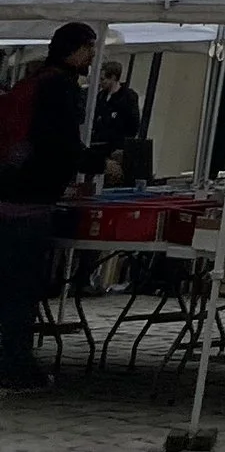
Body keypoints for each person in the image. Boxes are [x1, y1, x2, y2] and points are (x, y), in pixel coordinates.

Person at [0, 22, 99, 391]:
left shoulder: (38, 80)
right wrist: (99, 163)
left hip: (9, 194)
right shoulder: (59, 86)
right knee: (22, 288)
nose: (92, 56)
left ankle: (13, 361)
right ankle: (16, 366)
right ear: (75, 49)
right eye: (89, 48)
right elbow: (62, 144)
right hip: (30, 201)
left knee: (12, 285)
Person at [93, 60, 144, 177]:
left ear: (113, 78)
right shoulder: (101, 96)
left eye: (103, 79)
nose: (101, 83)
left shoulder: (128, 97)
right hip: (100, 146)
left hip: (117, 148)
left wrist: (122, 146)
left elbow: (133, 125)